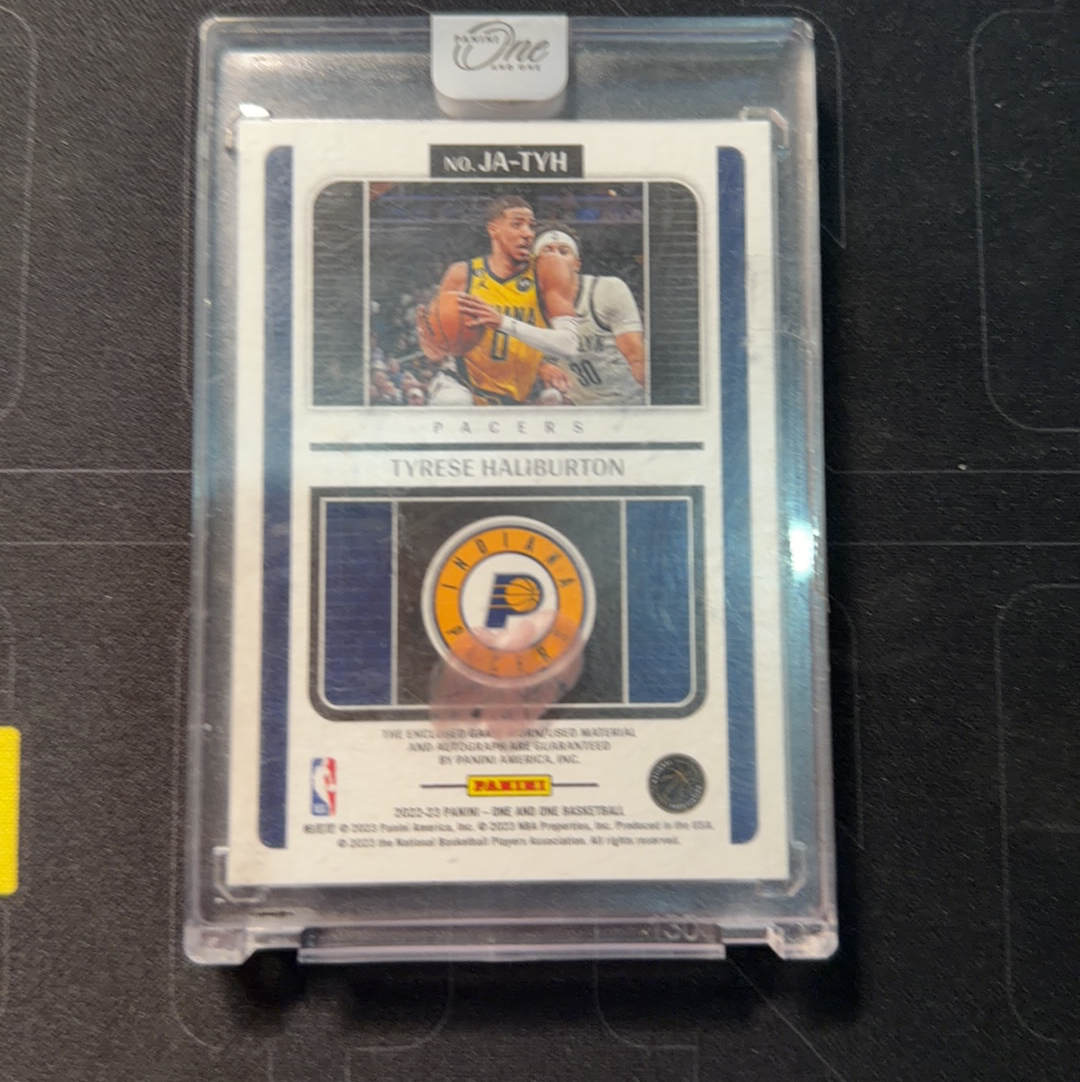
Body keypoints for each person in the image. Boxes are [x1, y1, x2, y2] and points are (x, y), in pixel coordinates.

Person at [458, 222, 647, 406]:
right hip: (576, 408)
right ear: (533, 265)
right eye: (547, 251)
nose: (556, 257)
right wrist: (543, 368)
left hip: (625, 405)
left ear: (577, 264)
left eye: (564, 252)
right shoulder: (524, 304)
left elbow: (636, 357)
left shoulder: (608, 289)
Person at [417, 196, 578, 406]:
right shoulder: (462, 274)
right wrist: (429, 342)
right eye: (517, 224)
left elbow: (569, 345)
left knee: (555, 403)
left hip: (513, 397)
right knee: (453, 400)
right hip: (461, 385)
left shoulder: (547, 269)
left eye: (531, 226)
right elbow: (437, 353)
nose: (528, 233)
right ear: (493, 230)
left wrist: (502, 322)